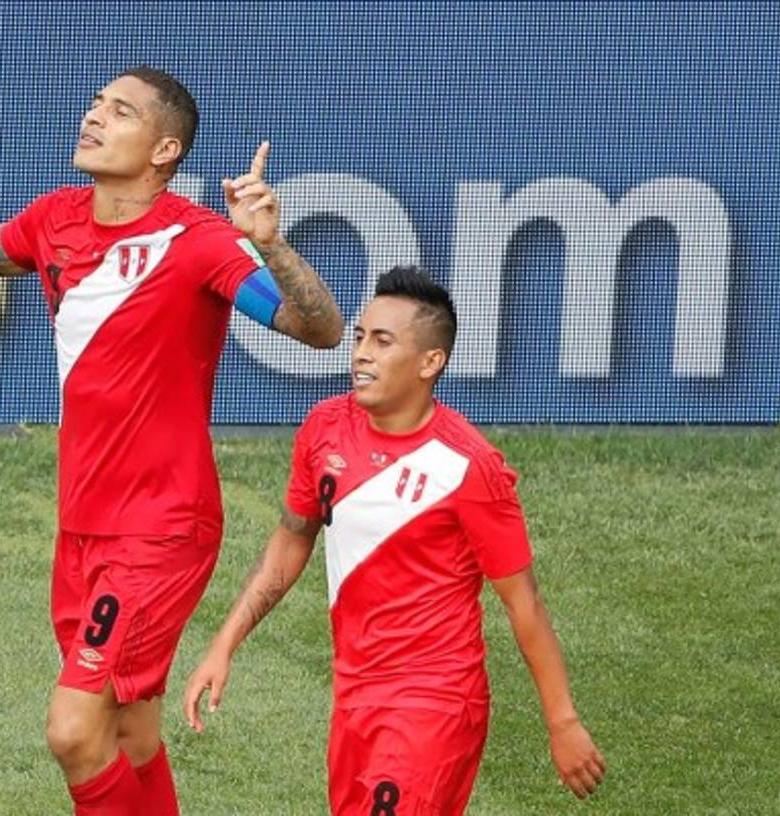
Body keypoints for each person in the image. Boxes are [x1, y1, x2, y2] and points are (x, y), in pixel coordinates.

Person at [0, 65, 343, 815]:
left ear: (164, 149)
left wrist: (271, 246)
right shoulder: (55, 218)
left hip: (161, 528)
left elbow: (319, 330)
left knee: (73, 731)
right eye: (94, 104)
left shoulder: (199, 242)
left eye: (120, 112)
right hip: (82, 525)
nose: (94, 119)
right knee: (131, 731)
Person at [184, 266, 605, 815]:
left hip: (435, 705)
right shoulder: (324, 430)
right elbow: (292, 540)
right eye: (360, 337)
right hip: (355, 696)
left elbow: (524, 604)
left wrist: (563, 721)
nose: (361, 353)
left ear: (432, 362)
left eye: (383, 342)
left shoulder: (468, 467)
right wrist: (225, 642)